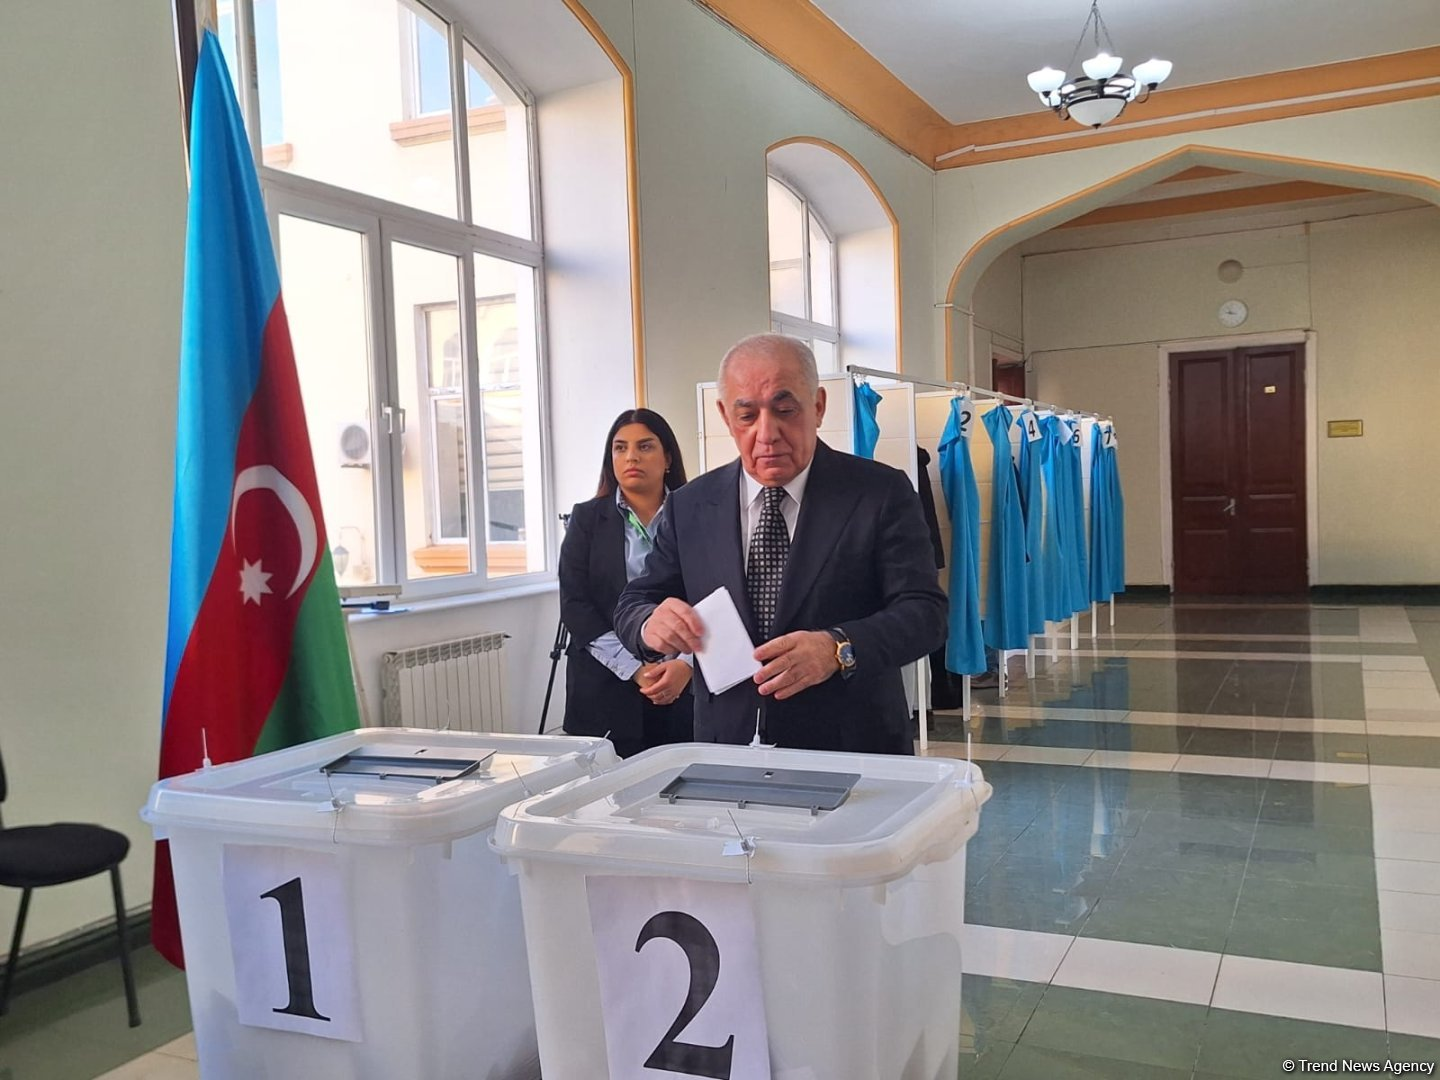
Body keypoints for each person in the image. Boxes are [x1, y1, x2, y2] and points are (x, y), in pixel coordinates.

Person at [613, 334, 946, 754]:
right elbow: (635, 601)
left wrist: (838, 647)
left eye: (785, 410)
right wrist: (649, 622)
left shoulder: (878, 493)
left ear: (819, 406)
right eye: (747, 415)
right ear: (724, 415)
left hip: (851, 744)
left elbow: (925, 614)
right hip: (726, 745)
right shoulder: (691, 505)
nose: (767, 433)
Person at [559, 408, 694, 758]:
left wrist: (686, 665)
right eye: (620, 448)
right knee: (603, 804)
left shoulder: (698, 514)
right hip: (605, 689)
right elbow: (576, 607)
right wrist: (634, 670)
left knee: (679, 795)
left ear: (667, 458)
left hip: (682, 686)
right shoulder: (586, 520)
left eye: (645, 446)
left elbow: (716, 597)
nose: (631, 456)